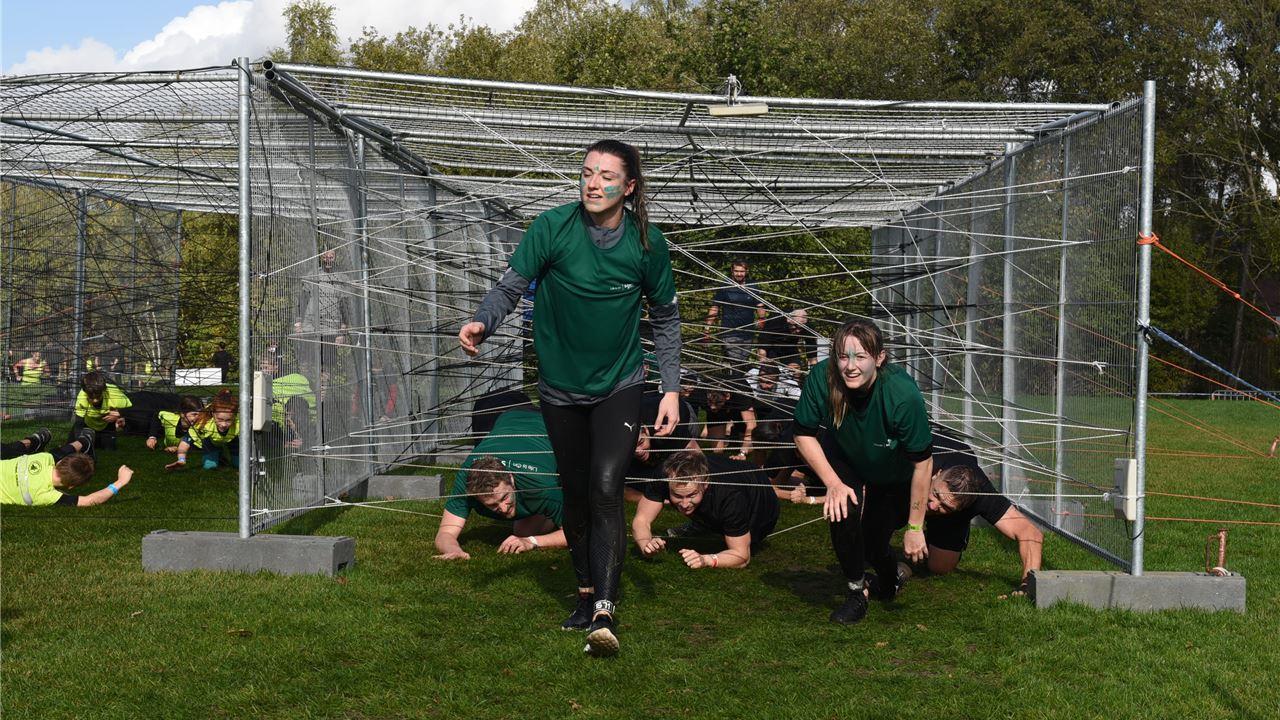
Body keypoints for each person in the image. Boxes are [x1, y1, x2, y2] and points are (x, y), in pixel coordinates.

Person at [459, 139, 682, 658]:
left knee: (605, 488)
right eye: (586, 173)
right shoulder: (551, 228)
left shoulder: (648, 244)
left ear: (629, 187)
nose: (593, 183)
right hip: (560, 389)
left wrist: (670, 388)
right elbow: (509, 288)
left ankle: (605, 607)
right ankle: (585, 592)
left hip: (620, 384)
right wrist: (482, 322)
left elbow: (666, 318)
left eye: (606, 175)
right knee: (577, 495)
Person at [793, 319, 933, 625]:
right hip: (845, 456)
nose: (850, 366)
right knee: (843, 509)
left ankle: (890, 578)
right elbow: (802, 434)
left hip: (891, 471)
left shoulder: (902, 395)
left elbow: (923, 463)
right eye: (843, 356)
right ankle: (857, 592)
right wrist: (833, 484)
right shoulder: (823, 377)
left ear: (879, 358)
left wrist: (914, 527)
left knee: (873, 543)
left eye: (860, 357)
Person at [434, 409, 566, 560]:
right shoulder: (467, 480)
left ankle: (556, 507)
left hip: (552, 422)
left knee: (527, 532)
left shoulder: (542, 486)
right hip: (509, 417)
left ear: (511, 478)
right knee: (522, 531)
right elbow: (445, 533)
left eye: (504, 497)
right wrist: (453, 550)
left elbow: (578, 534)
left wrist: (532, 541)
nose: (503, 508)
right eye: (492, 505)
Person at [919, 434, 1043, 593]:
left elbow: (1030, 533)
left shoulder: (981, 496)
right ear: (937, 474)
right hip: (915, 476)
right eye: (935, 494)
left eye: (946, 506)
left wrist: (1028, 587)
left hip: (953, 514)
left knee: (940, 567)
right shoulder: (920, 463)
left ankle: (936, 534)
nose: (933, 506)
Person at [632, 449, 779, 570]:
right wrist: (646, 546)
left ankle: (705, 525)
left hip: (763, 508)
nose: (684, 504)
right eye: (677, 496)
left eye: (691, 495)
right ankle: (701, 524)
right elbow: (641, 520)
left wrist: (706, 559)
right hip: (728, 485)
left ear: (705, 484)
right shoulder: (665, 474)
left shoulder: (729, 497)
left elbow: (742, 557)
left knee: (744, 539)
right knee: (703, 509)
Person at [1, 434, 133, 508]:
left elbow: (58, 455)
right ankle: (84, 441)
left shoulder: (44, 458)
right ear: (71, 486)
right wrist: (120, 482)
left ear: (60, 462)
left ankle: (83, 441)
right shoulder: (48, 495)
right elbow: (88, 500)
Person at [703, 259, 765, 364]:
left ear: (746, 271)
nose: (739, 274)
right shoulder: (725, 286)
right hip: (730, 332)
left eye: (742, 271)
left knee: (743, 362)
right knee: (736, 361)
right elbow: (715, 307)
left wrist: (762, 320)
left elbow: (760, 305)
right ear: (732, 271)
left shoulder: (752, 286)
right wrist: (707, 328)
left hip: (748, 332)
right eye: (736, 271)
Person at [166, 391, 240, 471]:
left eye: (228, 420)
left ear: (235, 416)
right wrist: (181, 460)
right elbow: (185, 442)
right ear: (213, 414)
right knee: (209, 467)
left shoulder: (239, 424)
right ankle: (218, 455)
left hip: (233, 441)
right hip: (211, 444)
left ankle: (228, 457)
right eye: (220, 419)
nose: (224, 424)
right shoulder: (204, 424)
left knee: (240, 465)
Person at [69, 370, 133, 450]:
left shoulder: (113, 393)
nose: (95, 400)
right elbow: (79, 422)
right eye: (91, 397)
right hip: (88, 425)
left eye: (98, 396)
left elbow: (133, 408)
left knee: (109, 450)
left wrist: (120, 413)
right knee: (80, 447)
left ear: (103, 390)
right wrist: (79, 441)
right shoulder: (82, 397)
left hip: (107, 425)